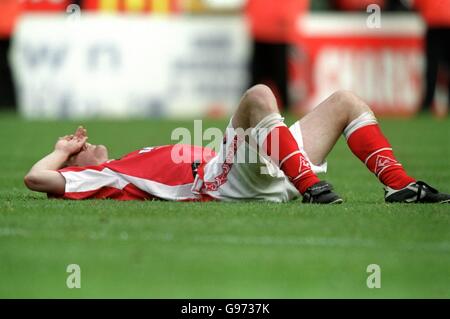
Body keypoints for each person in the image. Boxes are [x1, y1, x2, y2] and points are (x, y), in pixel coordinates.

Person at [24, 85, 450, 204]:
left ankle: (399, 186)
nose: (87, 142)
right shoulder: (100, 177)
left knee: (345, 102)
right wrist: (62, 152)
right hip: (221, 183)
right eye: (80, 145)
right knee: (258, 96)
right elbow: (35, 178)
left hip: (264, 166)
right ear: (77, 164)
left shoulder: (123, 161)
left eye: (80, 141)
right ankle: (311, 189)